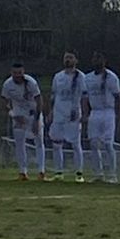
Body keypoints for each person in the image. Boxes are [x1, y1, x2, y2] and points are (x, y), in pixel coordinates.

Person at [80, 52, 120, 183]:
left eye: (100, 59)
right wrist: (85, 114)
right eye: (95, 59)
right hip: (95, 112)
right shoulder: (87, 78)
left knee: (108, 143)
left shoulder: (111, 77)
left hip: (108, 111)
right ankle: (98, 173)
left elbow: (117, 97)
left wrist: (118, 114)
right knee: (93, 143)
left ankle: (112, 174)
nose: (97, 61)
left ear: (105, 61)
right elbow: (85, 98)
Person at [1, 60, 44, 180]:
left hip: (33, 113)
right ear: (11, 73)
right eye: (15, 73)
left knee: (39, 141)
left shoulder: (31, 83)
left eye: (20, 73)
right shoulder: (7, 85)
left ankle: (41, 171)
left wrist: (36, 120)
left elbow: (39, 100)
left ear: (23, 72)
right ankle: (22, 171)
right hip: (18, 114)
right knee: (19, 143)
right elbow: (4, 102)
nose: (17, 75)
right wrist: (13, 115)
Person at [46, 52, 85, 180]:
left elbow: (84, 97)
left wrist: (83, 113)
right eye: (66, 58)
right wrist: (51, 112)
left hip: (73, 114)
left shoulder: (80, 77)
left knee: (75, 143)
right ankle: (59, 172)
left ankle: (79, 173)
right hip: (58, 113)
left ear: (76, 60)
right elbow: (54, 96)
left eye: (70, 58)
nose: (68, 60)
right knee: (56, 143)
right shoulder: (58, 76)